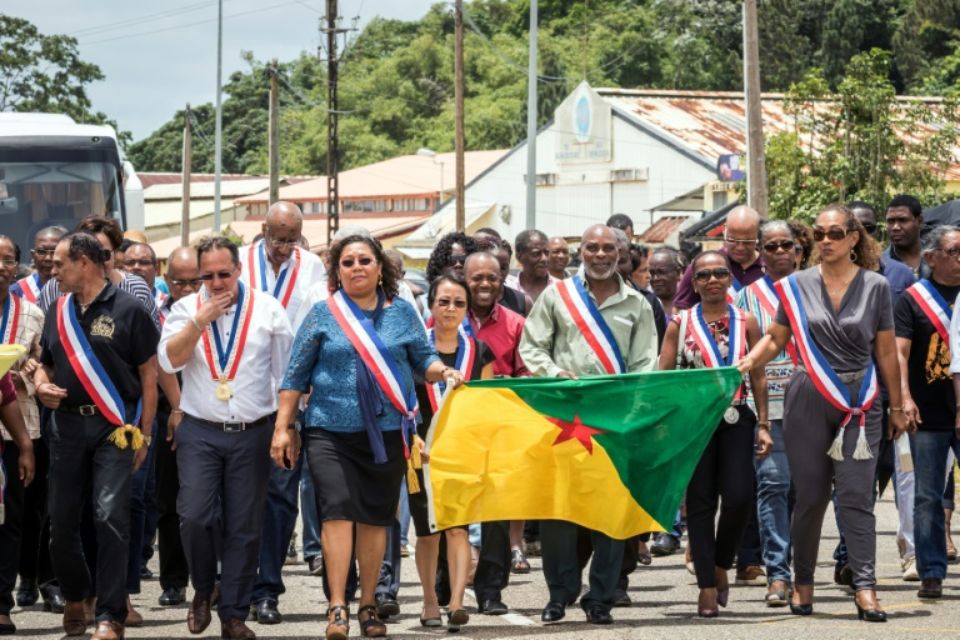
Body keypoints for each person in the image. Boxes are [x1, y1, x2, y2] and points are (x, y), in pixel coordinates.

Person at [271, 234, 463, 640]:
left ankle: (368, 605)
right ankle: (337, 605)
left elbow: (422, 359)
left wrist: (442, 371)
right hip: (328, 432)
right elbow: (294, 378)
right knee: (338, 512)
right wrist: (282, 428)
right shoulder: (323, 314)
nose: (356, 267)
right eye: (347, 262)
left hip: (388, 433)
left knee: (377, 518)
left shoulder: (402, 315)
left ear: (380, 268)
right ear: (337, 272)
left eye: (364, 260)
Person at [738, 204, 907, 623]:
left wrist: (899, 404)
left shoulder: (876, 287)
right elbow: (776, 338)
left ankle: (865, 586)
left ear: (854, 238)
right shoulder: (794, 286)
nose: (826, 241)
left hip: (860, 401)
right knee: (810, 497)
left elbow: (886, 350)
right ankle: (804, 582)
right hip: (808, 397)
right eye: (819, 234)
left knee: (855, 497)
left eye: (835, 233)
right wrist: (744, 364)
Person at [519, 224, 658, 625]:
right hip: (564, 418)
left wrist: (633, 411)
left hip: (614, 420)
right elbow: (532, 345)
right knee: (560, 511)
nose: (599, 254)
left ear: (621, 252)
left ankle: (601, 596)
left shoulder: (637, 304)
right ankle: (559, 595)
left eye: (607, 248)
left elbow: (645, 363)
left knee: (610, 511)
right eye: (592, 247)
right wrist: (554, 372)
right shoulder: (558, 294)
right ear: (581, 250)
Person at [158, 236, 293, 640]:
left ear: (238, 270)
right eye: (208, 276)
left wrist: (286, 427)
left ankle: (234, 613)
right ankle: (204, 586)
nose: (216, 284)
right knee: (195, 516)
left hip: (253, 430)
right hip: (201, 428)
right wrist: (200, 321)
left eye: (223, 274)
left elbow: (285, 375)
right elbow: (169, 360)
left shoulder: (268, 310)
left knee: (243, 525)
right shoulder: (184, 309)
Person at [34, 232, 159, 640]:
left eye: (61, 263)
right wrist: (41, 384)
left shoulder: (129, 309)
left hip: (114, 429)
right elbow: (45, 364)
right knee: (62, 522)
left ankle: (110, 614)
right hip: (66, 427)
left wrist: (145, 433)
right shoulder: (57, 310)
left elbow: (148, 375)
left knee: (110, 518)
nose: (54, 270)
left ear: (85, 262)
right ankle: (75, 595)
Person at [659, 250, 771, 617]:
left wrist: (766, 423)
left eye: (719, 273)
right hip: (695, 423)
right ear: (693, 283)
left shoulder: (748, 321)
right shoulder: (681, 322)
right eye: (703, 275)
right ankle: (707, 585)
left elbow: (758, 375)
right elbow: (665, 377)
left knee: (740, 497)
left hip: (738, 418)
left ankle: (722, 562)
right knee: (701, 503)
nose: (712, 280)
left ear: (729, 280)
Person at [238, 202, 328, 626]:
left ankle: (268, 590)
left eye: (291, 239)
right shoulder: (238, 264)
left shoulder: (312, 268)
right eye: (278, 238)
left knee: (278, 497)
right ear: (263, 230)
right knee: (236, 499)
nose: (284, 247)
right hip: (237, 400)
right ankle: (233, 584)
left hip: (289, 404)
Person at [410, 275, 494, 631]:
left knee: (458, 529)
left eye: (459, 303)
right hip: (420, 452)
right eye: (443, 301)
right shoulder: (414, 350)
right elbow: (402, 401)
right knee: (428, 532)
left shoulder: (480, 352)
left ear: (467, 308)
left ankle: (457, 602)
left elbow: (489, 405)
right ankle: (430, 600)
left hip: (461, 452)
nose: (450, 309)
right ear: (431, 305)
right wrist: (411, 439)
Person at [847, 200, 918, 582]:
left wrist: (904, 396)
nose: (864, 236)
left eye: (869, 228)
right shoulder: (830, 276)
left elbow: (907, 343)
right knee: (857, 485)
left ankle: (911, 550)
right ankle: (850, 559)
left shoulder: (901, 276)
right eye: (854, 229)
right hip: (847, 398)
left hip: (890, 396)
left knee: (904, 476)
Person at [735, 221, 799, 606]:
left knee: (802, 492)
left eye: (785, 245)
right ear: (761, 252)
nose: (778, 252)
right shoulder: (744, 298)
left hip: (811, 404)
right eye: (770, 246)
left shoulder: (813, 289)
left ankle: (801, 566)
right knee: (773, 485)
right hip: (766, 407)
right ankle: (777, 572)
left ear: (797, 250)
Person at [463, 251, 529, 614]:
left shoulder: (517, 323)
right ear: (464, 278)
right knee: (453, 508)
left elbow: (527, 374)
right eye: (478, 278)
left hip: (502, 428)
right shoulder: (448, 317)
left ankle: (491, 590)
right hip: (456, 427)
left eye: (492, 277)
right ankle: (448, 583)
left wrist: (510, 383)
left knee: (495, 514)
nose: (485, 284)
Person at [897, 226, 960, 600]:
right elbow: (900, 353)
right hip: (929, 410)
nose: (959, 259)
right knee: (927, 495)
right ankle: (931, 570)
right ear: (932, 257)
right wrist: (904, 396)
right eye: (953, 251)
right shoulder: (911, 300)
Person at [152, 248, 200, 608]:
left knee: (208, 504)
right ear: (166, 279)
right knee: (170, 500)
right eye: (178, 281)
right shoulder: (155, 312)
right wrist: (177, 407)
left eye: (193, 281)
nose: (186, 288)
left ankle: (210, 578)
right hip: (168, 412)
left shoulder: (218, 311)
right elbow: (156, 363)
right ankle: (173, 580)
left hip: (211, 413)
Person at [0, 237, 39, 636]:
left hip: (15, 428)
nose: (0, 266)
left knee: (10, 518)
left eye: (8, 260)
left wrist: (29, 369)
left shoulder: (32, 313)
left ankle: (1, 603)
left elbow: (39, 364)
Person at [675, 206, 765, 310]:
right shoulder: (702, 266)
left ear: (757, 235)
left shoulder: (769, 269)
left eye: (747, 242)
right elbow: (680, 311)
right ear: (724, 231)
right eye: (733, 240)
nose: (740, 247)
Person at [11, 226, 66, 303]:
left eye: (54, 252)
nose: (48, 258)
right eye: (41, 252)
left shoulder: (75, 289)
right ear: (33, 255)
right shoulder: (17, 291)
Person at [505, 230, 555, 302]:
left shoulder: (561, 288)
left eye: (546, 253)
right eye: (536, 254)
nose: (544, 259)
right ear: (519, 256)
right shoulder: (508, 289)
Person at [885, 194, 927, 278]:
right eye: (891, 221)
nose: (895, 227)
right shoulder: (881, 264)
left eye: (902, 220)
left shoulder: (937, 256)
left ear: (920, 222)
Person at [649, 247, 683, 320]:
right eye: (652, 273)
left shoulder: (689, 304)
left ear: (677, 273)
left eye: (661, 272)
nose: (655, 278)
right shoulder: (646, 304)